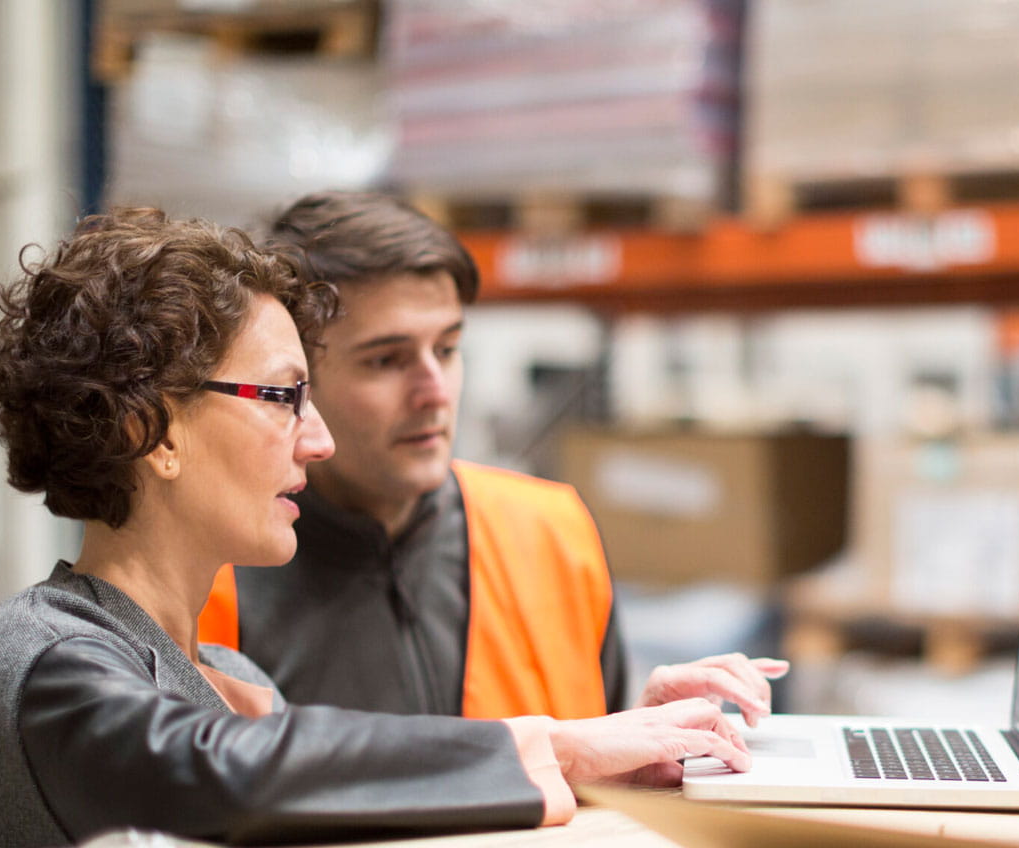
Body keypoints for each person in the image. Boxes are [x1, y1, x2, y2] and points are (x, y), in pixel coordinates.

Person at [0, 208, 751, 848]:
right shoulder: (46, 657)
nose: (318, 440)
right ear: (151, 430)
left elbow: (352, 824)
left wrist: (618, 759)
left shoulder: (228, 673)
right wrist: (559, 748)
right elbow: (223, 774)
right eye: (283, 397)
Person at [197, 191, 786, 725]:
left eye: (448, 349)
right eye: (386, 360)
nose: (435, 391)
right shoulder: (215, 580)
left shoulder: (549, 534)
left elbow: (586, 780)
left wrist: (639, 732)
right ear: (298, 381)